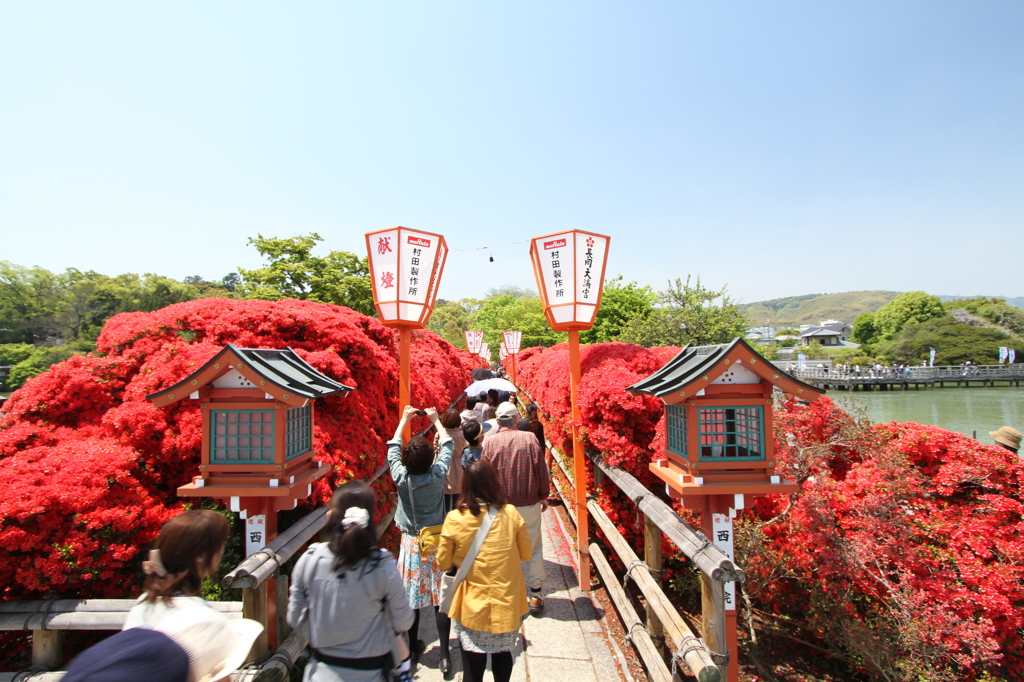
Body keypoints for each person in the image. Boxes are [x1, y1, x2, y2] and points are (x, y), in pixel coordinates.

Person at [288, 480, 415, 682]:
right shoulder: (381, 565)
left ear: (330, 517)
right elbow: (405, 621)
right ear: (370, 519)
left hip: (321, 674)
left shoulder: (310, 561)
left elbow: (295, 618)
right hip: (370, 674)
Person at [438, 460, 531, 682]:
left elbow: (443, 562)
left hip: (473, 604)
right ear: (494, 483)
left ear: (466, 485)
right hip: (506, 601)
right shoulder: (511, 514)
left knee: (473, 662)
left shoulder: (455, 518)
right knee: (503, 654)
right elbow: (526, 554)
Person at [387, 405, 454, 673]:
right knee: (440, 596)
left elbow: (392, 447)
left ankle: (413, 648)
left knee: (413, 598)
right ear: (430, 459)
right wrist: (437, 420)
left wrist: (403, 420)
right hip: (436, 541)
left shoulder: (402, 478)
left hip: (413, 543)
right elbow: (448, 445)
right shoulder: (437, 476)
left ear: (407, 460)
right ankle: (446, 654)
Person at [482, 401, 549, 615]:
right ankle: (536, 595)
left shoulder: (489, 443)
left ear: (498, 421)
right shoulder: (529, 438)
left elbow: (484, 476)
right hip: (528, 502)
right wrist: (543, 496)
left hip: (500, 506)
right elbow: (541, 468)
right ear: (515, 419)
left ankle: (506, 594)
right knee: (534, 547)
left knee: (502, 548)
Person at [123, 509, 230, 630]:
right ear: (199, 555)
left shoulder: (145, 602)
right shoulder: (200, 615)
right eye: (220, 545)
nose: (222, 551)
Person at [437, 409, 467, 513]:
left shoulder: (439, 435)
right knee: (457, 502)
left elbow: (436, 450)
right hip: (458, 469)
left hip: (443, 468)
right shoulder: (461, 435)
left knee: (444, 504)